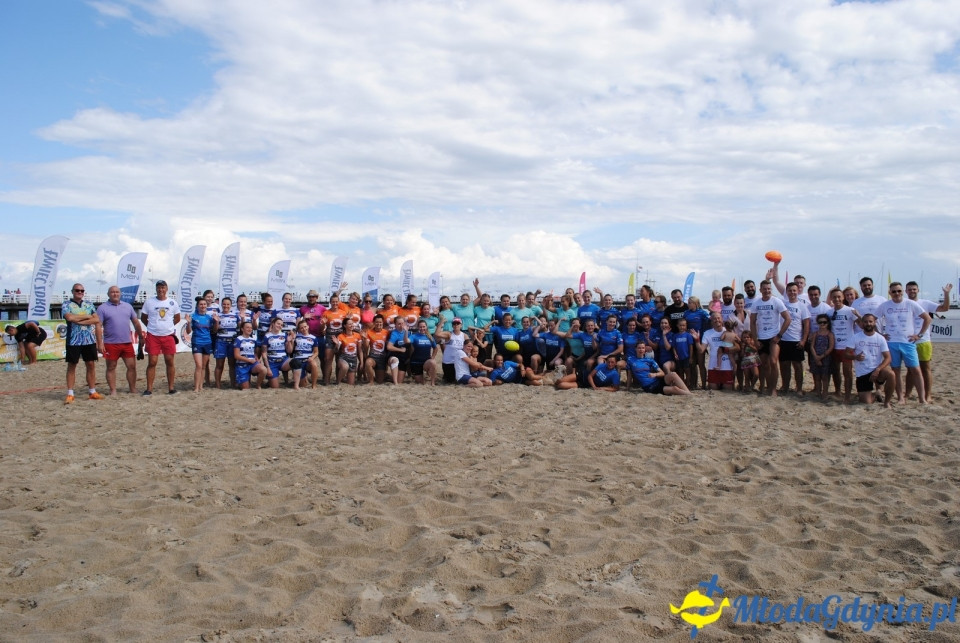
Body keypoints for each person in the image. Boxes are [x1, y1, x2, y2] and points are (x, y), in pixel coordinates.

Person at [876, 282, 931, 405]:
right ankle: (901, 397)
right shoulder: (885, 305)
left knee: (916, 370)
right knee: (896, 371)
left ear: (903, 292)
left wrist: (919, 335)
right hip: (891, 342)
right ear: (890, 293)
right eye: (894, 291)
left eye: (899, 291)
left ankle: (922, 399)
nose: (897, 293)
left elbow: (927, 318)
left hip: (908, 342)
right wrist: (880, 334)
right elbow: (872, 319)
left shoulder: (910, 303)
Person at [905, 281, 952, 402]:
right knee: (910, 370)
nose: (912, 291)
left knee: (925, 368)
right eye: (909, 289)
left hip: (923, 340)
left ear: (918, 290)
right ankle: (908, 394)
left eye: (914, 289)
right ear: (906, 291)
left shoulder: (924, 303)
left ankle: (928, 395)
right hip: (908, 341)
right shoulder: (904, 304)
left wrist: (946, 294)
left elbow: (945, 308)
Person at [96, 285, 144, 395]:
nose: (115, 294)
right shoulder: (102, 308)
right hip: (110, 343)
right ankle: (113, 390)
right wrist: (99, 343)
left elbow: (136, 322)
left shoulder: (128, 306)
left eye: (117, 292)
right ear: (108, 294)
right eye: (112, 292)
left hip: (126, 342)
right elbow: (98, 325)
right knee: (111, 367)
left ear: (120, 294)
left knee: (132, 366)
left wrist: (141, 336)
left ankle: (132, 388)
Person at [62, 283, 103, 403]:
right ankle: (70, 393)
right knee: (72, 365)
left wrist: (78, 320)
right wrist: (86, 317)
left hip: (89, 339)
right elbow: (69, 318)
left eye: (82, 290)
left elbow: (96, 319)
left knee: (90, 365)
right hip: (73, 340)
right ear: (72, 291)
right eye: (77, 290)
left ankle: (92, 391)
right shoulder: (66, 304)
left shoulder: (89, 304)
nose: (79, 292)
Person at [750, 279, 791, 397]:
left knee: (773, 361)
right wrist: (755, 339)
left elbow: (788, 319)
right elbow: (752, 322)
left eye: (769, 289)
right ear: (760, 290)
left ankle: (773, 389)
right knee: (764, 364)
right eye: (765, 289)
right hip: (761, 337)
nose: (767, 291)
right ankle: (767, 386)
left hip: (774, 337)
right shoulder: (757, 303)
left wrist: (779, 335)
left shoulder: (777, 301)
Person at [140, 280, 181, 396]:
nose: (161, 290)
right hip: (153, 335)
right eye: (158, 287)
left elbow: (177, 318)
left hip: (168, 335)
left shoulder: (172, 303)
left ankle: (171, 388)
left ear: (166, 289)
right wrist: (152, 327)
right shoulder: (149, 302)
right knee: (152, 362)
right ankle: (149, 389)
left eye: (163, 287)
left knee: (170, 361)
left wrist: (168, 326)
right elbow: (143, 317)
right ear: (156, 289)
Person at [846, 313, 895, 408]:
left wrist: (878, 369)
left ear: (874, 322)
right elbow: (846, 354)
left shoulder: (880, 338)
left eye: (870, 321)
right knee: (866, 402)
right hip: (862, 373)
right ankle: (876, 394)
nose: (868, 324)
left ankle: (887, 402)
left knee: (891, 374)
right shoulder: (856, 337)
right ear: (862, 323)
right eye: (865, 322)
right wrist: (855, 357)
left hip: (877, 370)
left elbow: (888, 358)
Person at [827, 287, 860, 404]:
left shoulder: (850, 310)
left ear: (843, 298)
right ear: (831, 298)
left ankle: (847, 395)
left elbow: (861, 325)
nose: (837, 299)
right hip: (834, 346)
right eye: (834, 297)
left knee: (847, 372)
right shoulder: (829, 312)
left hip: (847, 346)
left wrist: (859, 315)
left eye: (839, 297)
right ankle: (837, 391)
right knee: (835, 371)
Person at [779, 282, 810, 395]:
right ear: (786, 292)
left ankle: (799, 388)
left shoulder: (802, 306)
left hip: (796, 340)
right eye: (790, 290)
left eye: (794, 290)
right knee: (784, 366)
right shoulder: (783, 304)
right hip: (784, 340)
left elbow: (806, 324)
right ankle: (785, 387)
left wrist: (803, 340)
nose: (792, 293)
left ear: (797, 291)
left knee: (798, 366)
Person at [626, 351, 692, 395]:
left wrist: (655, 374)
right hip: (649, 386)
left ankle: (688, 392)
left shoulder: (649, 360)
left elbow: (662, 373)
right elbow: (629, 374)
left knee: (673, 374)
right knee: (674, 388)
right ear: (636, 349)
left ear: (644, 350)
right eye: (639, 348)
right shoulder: (631, 360)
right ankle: (688, 394)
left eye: (642, 348)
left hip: (657, 380)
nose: (641, 350)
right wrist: (628, 388)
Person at [186, 298, 216, 392]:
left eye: (204, 304)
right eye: (201, 304)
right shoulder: (193, 316)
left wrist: (216, 322)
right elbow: (188, 331)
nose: (203, 306)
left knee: (203, 366)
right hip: (197, 342)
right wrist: (188, 323)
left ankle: (201, 386)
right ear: (197, 306)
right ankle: (196, 387)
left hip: (207, 342)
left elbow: (214, 330)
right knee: (198, 365)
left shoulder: (209, 317)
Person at [702, 311, 736, 391]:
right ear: (711, 321)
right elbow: (701, 350)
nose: (717, 320)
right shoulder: (707, 333)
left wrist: (726, 349)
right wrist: (696, 340)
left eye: (718, 318)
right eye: (714, 318)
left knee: (728, 391)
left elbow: (738, 347)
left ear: (722, 319)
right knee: (713, 389)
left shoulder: (729, 331)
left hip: (727, 367)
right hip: (713, 367)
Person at [213, 297, 239, 389]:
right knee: (219, 365)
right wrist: (216, 322)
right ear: (221, 305)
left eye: (228, 304)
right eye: (224, 304)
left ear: (231, 305)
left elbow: (240, 329)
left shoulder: (235, 316)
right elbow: (214, 331)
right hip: (221, 342)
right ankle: (218, 385)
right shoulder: (217, 315)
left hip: (232, 342)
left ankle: (233, 383)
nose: (226, 306)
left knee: (232, 364)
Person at [233, 321, 267, 390]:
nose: (250, 329)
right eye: (247, 327)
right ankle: (241, 381)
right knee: (245, 388)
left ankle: (258, 385)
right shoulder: (238, 339)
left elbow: (254, 352)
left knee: (263, 369)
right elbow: (236, 355)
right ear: (242, 329)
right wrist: (249, 360)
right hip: (242, 365)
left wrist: (256, 358)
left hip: (252, 364)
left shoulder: (253, 339)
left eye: (251, 328)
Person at [262, 316, 292, 388]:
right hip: (272, 362)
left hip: (283, 361)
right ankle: (270, 380)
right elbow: (264, 353)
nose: (280, 326)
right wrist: (268, 368)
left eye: (281, 325)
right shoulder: (267, 336)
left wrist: (289, 342)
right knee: (275, 387)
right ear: (273, 324)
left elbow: (289, 351)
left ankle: (297, 384)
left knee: (296, 362)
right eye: (278, 324)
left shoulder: (284, 335)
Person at [809, 314, 835, 400]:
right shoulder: (815, 334)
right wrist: (816, 357)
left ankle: (825, 393)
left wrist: (821, 357)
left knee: (825, 376)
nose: (822, 324)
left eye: (824, 322)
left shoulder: (830, 334)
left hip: (826, 357)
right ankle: (818, 393)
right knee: (817, 376)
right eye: (820, 322)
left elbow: (831, 347)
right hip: (815, 356)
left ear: (828, 323)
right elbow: (812, 346)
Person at [289, 319, 320, 390]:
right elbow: (291, 350)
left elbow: (316, 352)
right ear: (299, 329)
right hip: (298, 361)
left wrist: (312, 358)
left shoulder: (313, 338)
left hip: (308, 360)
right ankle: (304, 378)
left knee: (314, 364)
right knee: (303, 385)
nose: (304, 329)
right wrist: (292, 340)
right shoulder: (296, 336)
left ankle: (314, 385)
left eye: (305, 326)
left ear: (308, 326)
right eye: (301, 328)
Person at [363, 314, 390, 385]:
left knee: (380, 381)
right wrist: (364, 339)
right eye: (377, 322)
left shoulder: (386, 332)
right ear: (374, 323)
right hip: (373, 356)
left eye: (380, 322)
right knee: (368, 363)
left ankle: (385, 375)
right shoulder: (369, 332)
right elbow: (366, 347)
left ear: (383, 322)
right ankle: (371, 381)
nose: (379, 324)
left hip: (382, 358)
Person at [408, 319, 438, 385]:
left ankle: (432, 383)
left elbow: (435, 348)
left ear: (426, 327)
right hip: (415, 362)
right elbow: (408, 341)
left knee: (433, 362)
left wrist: (432, 357)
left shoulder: (429, 337)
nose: (422, 328)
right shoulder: (414, 336)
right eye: (420, 327)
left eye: (424, 326)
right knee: (421, 382)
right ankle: (423, 375)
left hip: (426, 362)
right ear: (418, 327)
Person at [334, 319, 363, 385]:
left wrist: (361, 362)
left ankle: (344, 378)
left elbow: (360, 350)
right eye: (349, 324)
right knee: (345, 367)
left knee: (351, 383)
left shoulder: (357, 335)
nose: (351, 325)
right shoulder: (341, 336)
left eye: (352, 323)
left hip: (353, 359)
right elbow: (336, 350)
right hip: (344, 358)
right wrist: (336, 344)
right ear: (345, 326)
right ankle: (338, 382)